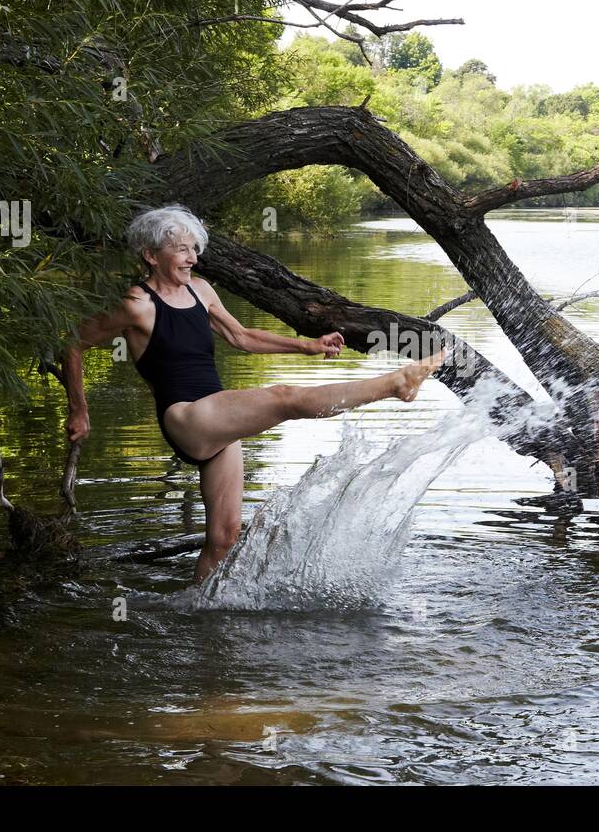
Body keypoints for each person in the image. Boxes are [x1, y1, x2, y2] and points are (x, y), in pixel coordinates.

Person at [62, 205, 445, 586]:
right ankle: (396, 384)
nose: (193, 258)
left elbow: (242, 337)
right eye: (182, 250)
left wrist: (307, 346)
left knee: (223, 539)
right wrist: (80, 409)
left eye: (195, 249)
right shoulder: (136, 305)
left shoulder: (200, 290)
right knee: (284, 397)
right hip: (186, 418)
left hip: (219, 424)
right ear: (151, 255)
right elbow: (73, 343)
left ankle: (199, 615)